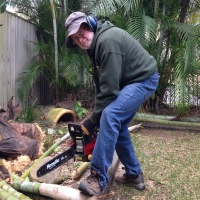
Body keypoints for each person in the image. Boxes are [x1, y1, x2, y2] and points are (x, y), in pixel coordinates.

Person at [65, 11, 159, 197]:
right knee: (118, 123)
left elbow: (109, 91)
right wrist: (94, 121)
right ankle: (134, 175)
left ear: (90, 24)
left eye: (81, 32)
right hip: (131, 82)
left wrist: (92, 122)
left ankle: (98, 178)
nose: (80, 39)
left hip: (143, 79)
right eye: (75, 38)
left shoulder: (107, 41)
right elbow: (103, 87)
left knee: (111, 115)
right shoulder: (95, 47)